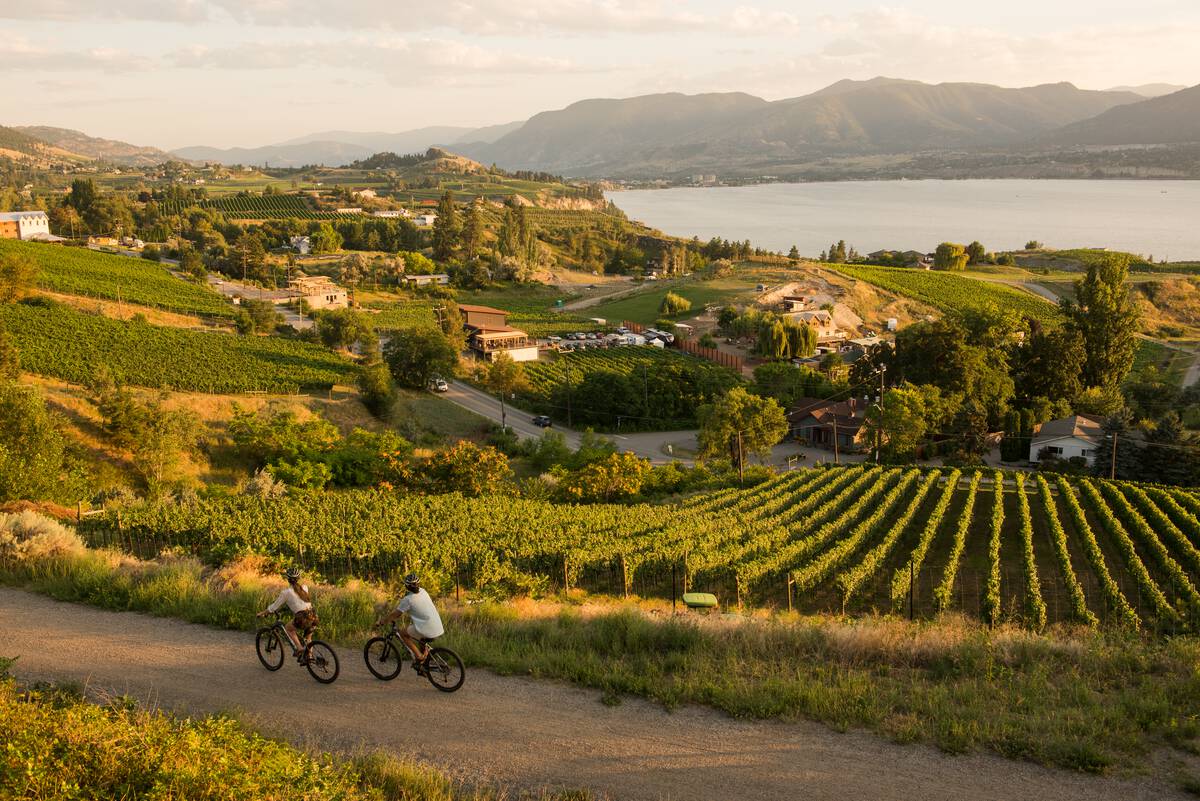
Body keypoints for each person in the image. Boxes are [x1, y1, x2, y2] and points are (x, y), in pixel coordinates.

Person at [376, 573, 444, 673]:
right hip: (437, 625)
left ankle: (420, 657)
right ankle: (423, 663)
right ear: (419, 584)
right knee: (420, 638)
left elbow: (396, 614)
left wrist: (383, 621)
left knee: (403, 634)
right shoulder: (423, 591)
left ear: (406, 586)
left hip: (426, 627)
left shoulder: (408, 600)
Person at [257, 567, 317, 660]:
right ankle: (309, 657)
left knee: (288, 629)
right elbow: (300, 603)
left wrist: (262, 613)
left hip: (302, 618)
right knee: (308, 639)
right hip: (313, 615)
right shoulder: (304, 587)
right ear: (298, 578)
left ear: (287, 579)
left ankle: (300, 648)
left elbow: (273, 607)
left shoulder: (286, 592)